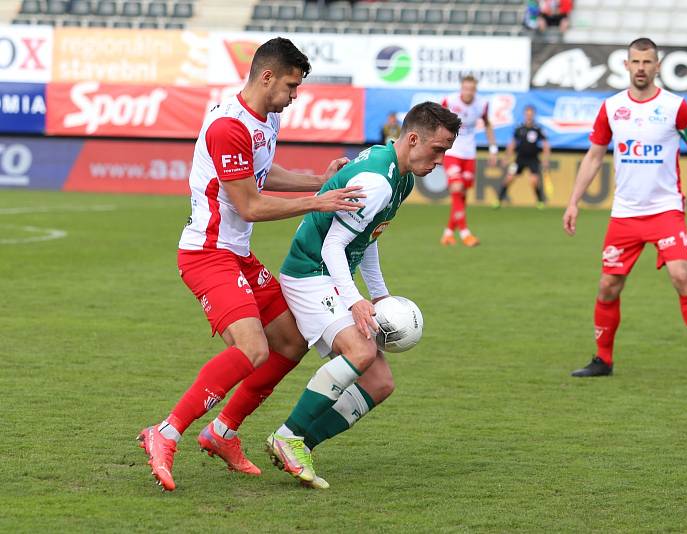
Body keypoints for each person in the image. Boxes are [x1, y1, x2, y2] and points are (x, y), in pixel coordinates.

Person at [137, 37, 366, 492]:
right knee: (253, 348)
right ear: (266, 77)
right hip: (207, 254)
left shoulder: (266, 118)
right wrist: (318, 201)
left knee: (290, 341)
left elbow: (261, 172)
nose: (294, 95)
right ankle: (164, 433)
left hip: (236, 254)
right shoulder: (228, 126)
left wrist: (316, 178)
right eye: (291, 85)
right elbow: (250, 205)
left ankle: (220, 432)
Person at [264, 102, 461, 488]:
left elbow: (367, 237)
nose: (441, 160)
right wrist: (355, 299)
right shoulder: (379, 181)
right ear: (414, 139)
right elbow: (333, 246)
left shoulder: (401, 176)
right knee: (361, 351)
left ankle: (298, 443)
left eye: (446, 152)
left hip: (330, 274)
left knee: (380, 382)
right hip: (310, 273)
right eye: (437, 150)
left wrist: (381, 294)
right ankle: (288, 436)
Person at [562, 37, 687, 386]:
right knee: (608, 286)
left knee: (681, 274)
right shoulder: (611, 107)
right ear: (627, 65)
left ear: (657, 66)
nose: (642, 68)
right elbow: (593, 155)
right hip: (625, 214)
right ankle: (603, 358)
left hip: (665, 210)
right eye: (636, 62)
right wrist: (573, 201)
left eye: (648, 62)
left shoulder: (675, 106)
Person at [440, 75, 497, 247]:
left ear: (475, 90)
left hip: (469, 153)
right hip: (452, 151)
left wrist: (493, 149)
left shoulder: (482, 104)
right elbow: (437, 123)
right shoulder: (449, 101)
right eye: (465, 88)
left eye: (471, 89)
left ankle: (448, 233)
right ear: (461, 88)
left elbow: (487, 124)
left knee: (461, 194)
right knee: (456, 187)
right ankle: (465, 233)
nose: (468, 92)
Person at [496, 105, 551, 208]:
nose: (529, 116)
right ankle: (499, 199)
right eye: (527, 114)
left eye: (531, 114)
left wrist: (546, 159)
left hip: (533, 159)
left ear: (534, 115)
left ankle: (540, 201)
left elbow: (545, 144)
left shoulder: (538, 128)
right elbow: (512, 144)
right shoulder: (519, 128)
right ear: (524, 115)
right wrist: (506, 157)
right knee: (509, 178)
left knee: (534, 181)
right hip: (519, 159)